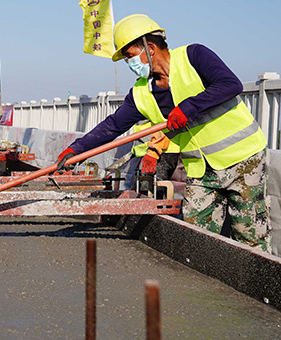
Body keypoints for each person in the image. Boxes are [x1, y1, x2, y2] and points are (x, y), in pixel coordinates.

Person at [55, 14, 270, 252]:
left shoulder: (194, 56)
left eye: (129, 56)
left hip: (244, 160)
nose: (130, 64)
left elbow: (230, 84)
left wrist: (188, 108)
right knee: (196, 236)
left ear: (149, 48)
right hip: (201, 170)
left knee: (250, 237)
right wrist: (77, 150)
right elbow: (113, 125)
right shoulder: (141, 91)